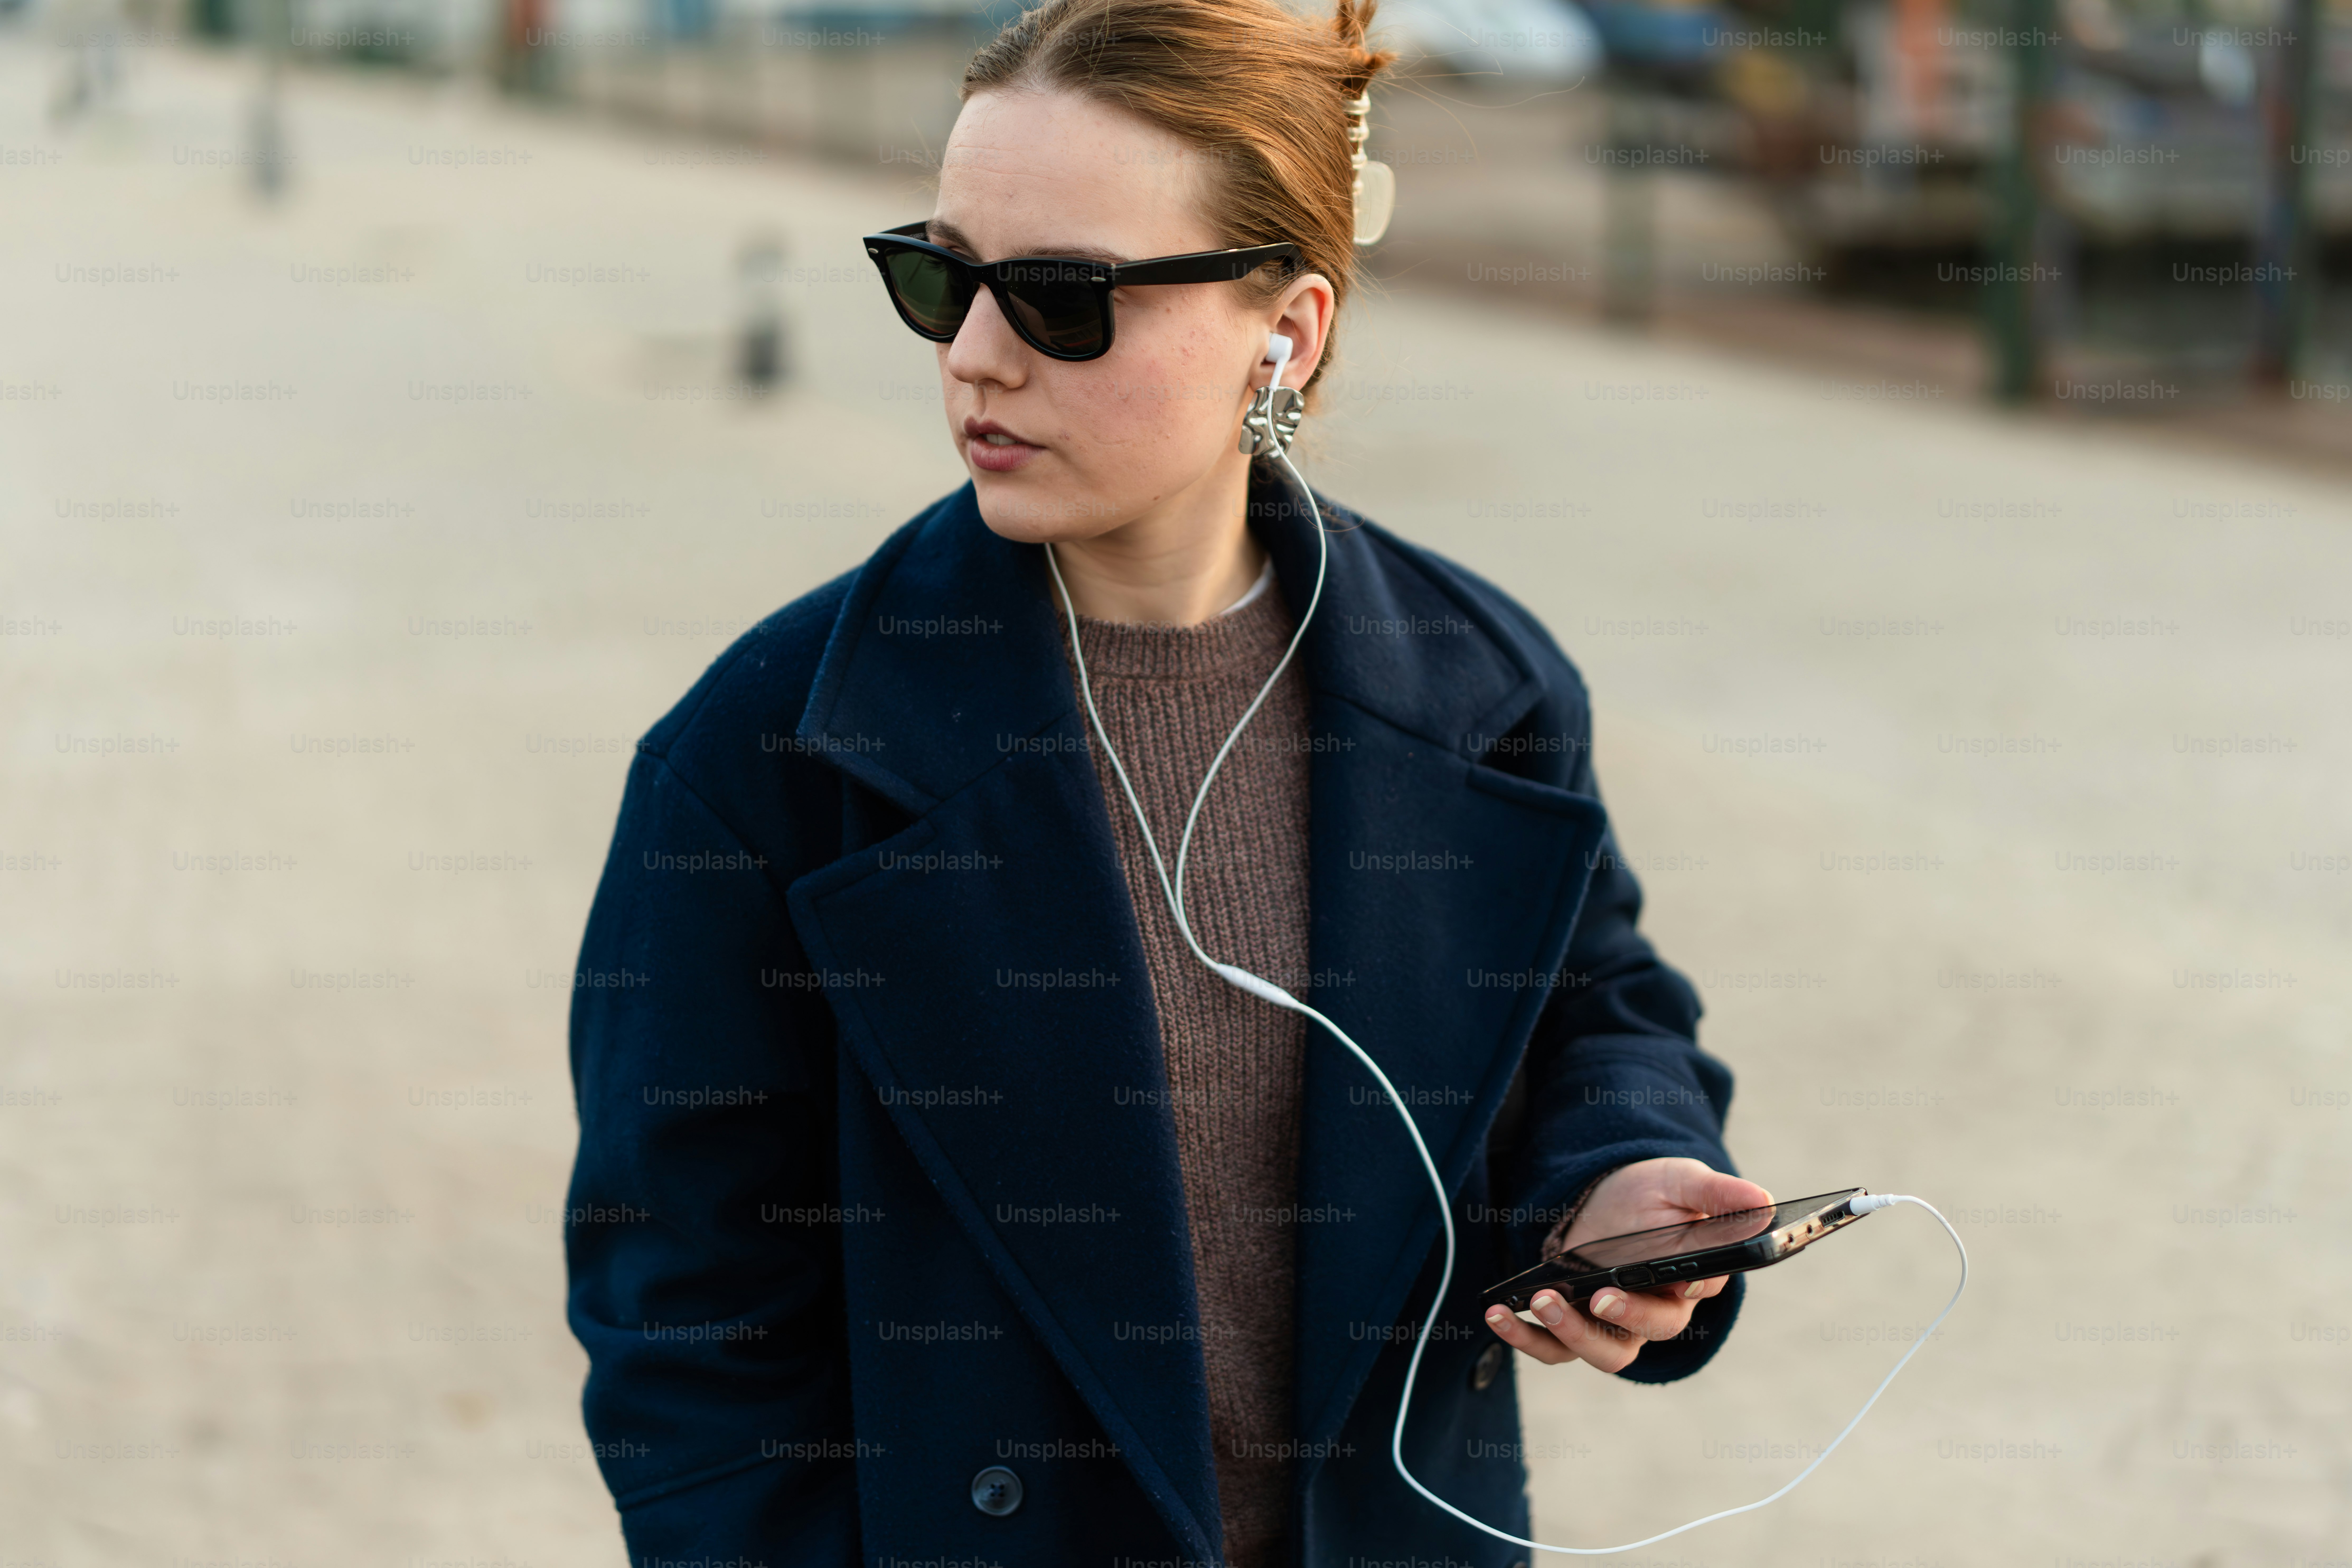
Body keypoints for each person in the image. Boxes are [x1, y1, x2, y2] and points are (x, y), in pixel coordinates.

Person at [561, 0, 1767, 1561]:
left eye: (1061, 298)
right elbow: (687, 1317)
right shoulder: (773, 754)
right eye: (939, 277)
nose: (977, 354)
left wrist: (1618, 1178)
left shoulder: (1483, 688)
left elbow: (1599, 1008)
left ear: (1289, 330)